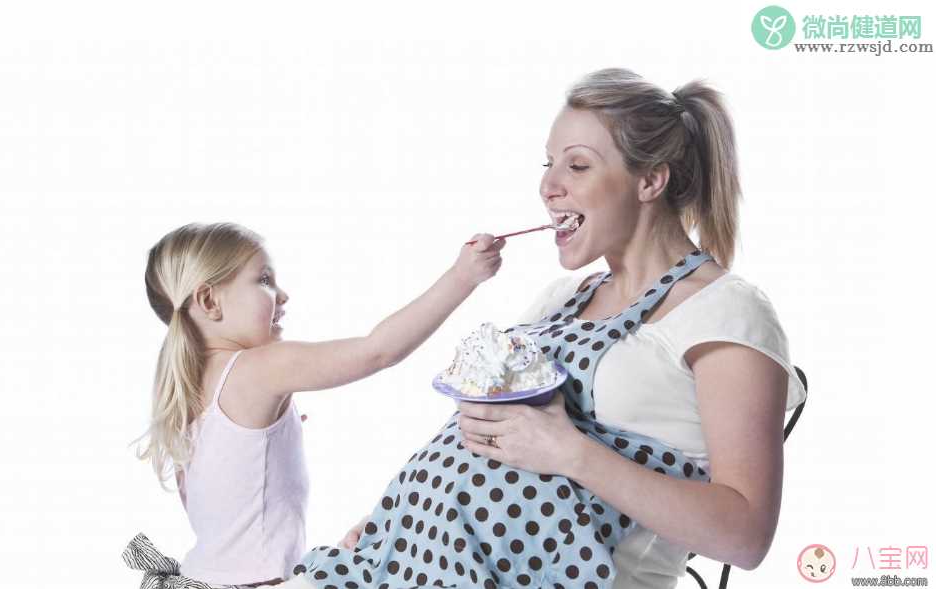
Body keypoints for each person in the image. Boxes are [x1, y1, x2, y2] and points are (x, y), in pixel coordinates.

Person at [289, 68, 807, 588]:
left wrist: (572, 453)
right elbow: (474, 438)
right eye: (548, 163)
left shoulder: (724, 313)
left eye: (577, 165)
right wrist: (393, 520)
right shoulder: (561, 300)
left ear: (650, 180)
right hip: (409, 566)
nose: (548, 185)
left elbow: (745, 536)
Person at [127, 222, 505, 588]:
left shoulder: (187, 391)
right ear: (209, 300)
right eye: (263, 280)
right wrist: (462, 277)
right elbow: (378, 351)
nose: (283, 295)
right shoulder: (258, 369)